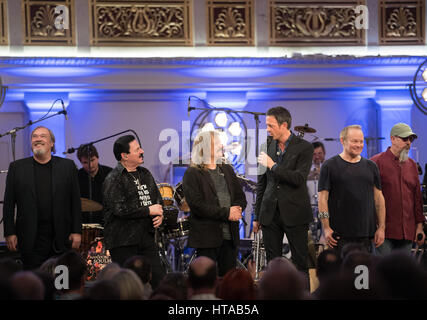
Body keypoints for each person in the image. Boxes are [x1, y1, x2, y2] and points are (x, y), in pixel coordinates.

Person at [3, 126, 82, 270]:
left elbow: (75, 202)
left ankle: (59, 291)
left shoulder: (67, 166)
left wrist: (77, 231)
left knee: (60, 282)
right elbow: (8, 204)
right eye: (34, 136)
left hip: (60, 238)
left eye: (43, 136)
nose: (38, 139)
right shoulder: (17, 168)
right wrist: (9, 232)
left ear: (52, 143)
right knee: (34, 284)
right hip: (29, 239)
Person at [254, 106, 314, 278]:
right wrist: (256, 216)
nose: (268, 129)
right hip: (269, 213)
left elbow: (298, 179)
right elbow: (261, 183)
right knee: (273, 265)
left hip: (295, 213)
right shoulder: (265, 146)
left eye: (271, 125)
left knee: (300, 263)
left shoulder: (304, 148)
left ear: (284, 125)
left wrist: (273, 165)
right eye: (267, 125)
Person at [102, 135, 165, 289]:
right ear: (124, 156)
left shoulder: (145, 174)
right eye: (137, 149)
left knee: (159, 280)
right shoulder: (113, 178)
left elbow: (158, 201)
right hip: (123, 242)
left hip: (146, 238)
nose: (142, 151)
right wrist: (148, 210)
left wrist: (159, 214)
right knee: (128, 286)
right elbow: (119, 209)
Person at [182, 130, 247, 277]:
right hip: (206, 239)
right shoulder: (192, 173)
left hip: (229, 237)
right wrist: (227, 213)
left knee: (228, 282)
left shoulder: (228, 169)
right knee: (206, 281)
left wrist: (237, 209)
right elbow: (197, 206)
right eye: (218, 143)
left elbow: (240, 196)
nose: (222, 146)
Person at [318, 125, 386, 256]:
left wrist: (382, 227)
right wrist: (326, 228)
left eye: (361, 141)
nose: (359, 145)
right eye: (355, 141)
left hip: (366, 235)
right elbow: (322, 199)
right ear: (343, 141)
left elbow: (379, 198)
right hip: (338, 236)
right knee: (342, 275)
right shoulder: (329, 166)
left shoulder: (371, 166)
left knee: (362, 275)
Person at [371, 123, 425, 254]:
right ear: (392, 139)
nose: (408, 143)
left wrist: (419, 227)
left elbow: (417, 199)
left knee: (402, 273)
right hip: (383, 231)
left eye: (410, 140)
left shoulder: (412, 165)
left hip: (407, 232)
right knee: (383, 272)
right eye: (404, 139)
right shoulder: (376, 162)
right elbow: (369, 198)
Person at [77, 144, 112, 224]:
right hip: (84, 223)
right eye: (85, 162)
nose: (90, 165)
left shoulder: (110, 174)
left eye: (92, 160)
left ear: (98, 158)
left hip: (106, 222)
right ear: (80, 162)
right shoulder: (77, 176)